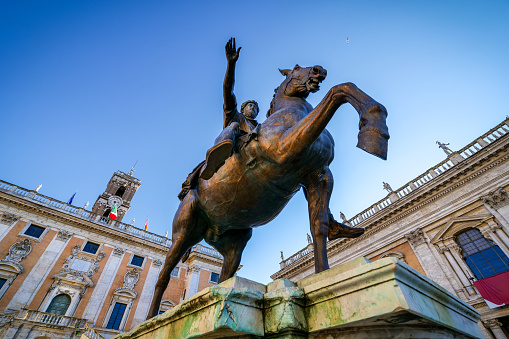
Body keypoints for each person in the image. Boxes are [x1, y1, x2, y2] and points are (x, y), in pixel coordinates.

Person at [178, 38, 260, 200]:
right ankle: (218, 152)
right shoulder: (235, 114)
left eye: (256, 108)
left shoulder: (260, 127)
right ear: (243, 108)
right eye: (250, 106)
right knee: (235, 125)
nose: (254, 109)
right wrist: (231, 64)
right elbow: (227, 89)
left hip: (253, 159)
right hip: (234, 150)